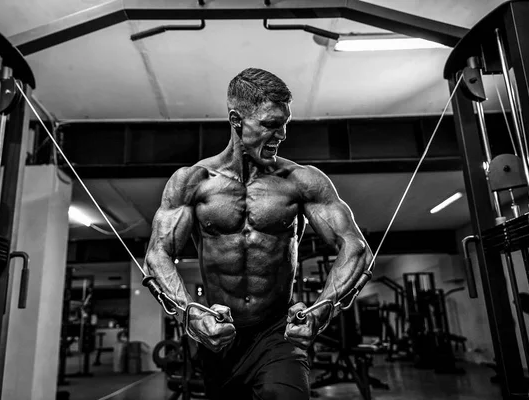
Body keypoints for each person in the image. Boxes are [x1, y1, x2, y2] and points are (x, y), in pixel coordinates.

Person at [144, 67, 373, 400]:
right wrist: (189, 312)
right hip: (219, 336)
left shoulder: (301, 181)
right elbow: (157, 254)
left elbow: (355, 247)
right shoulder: (192, 182)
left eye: (285, 124)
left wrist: (324, 308)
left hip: (278, 334)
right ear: (237, 120)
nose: (282, 135)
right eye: (270, 124)